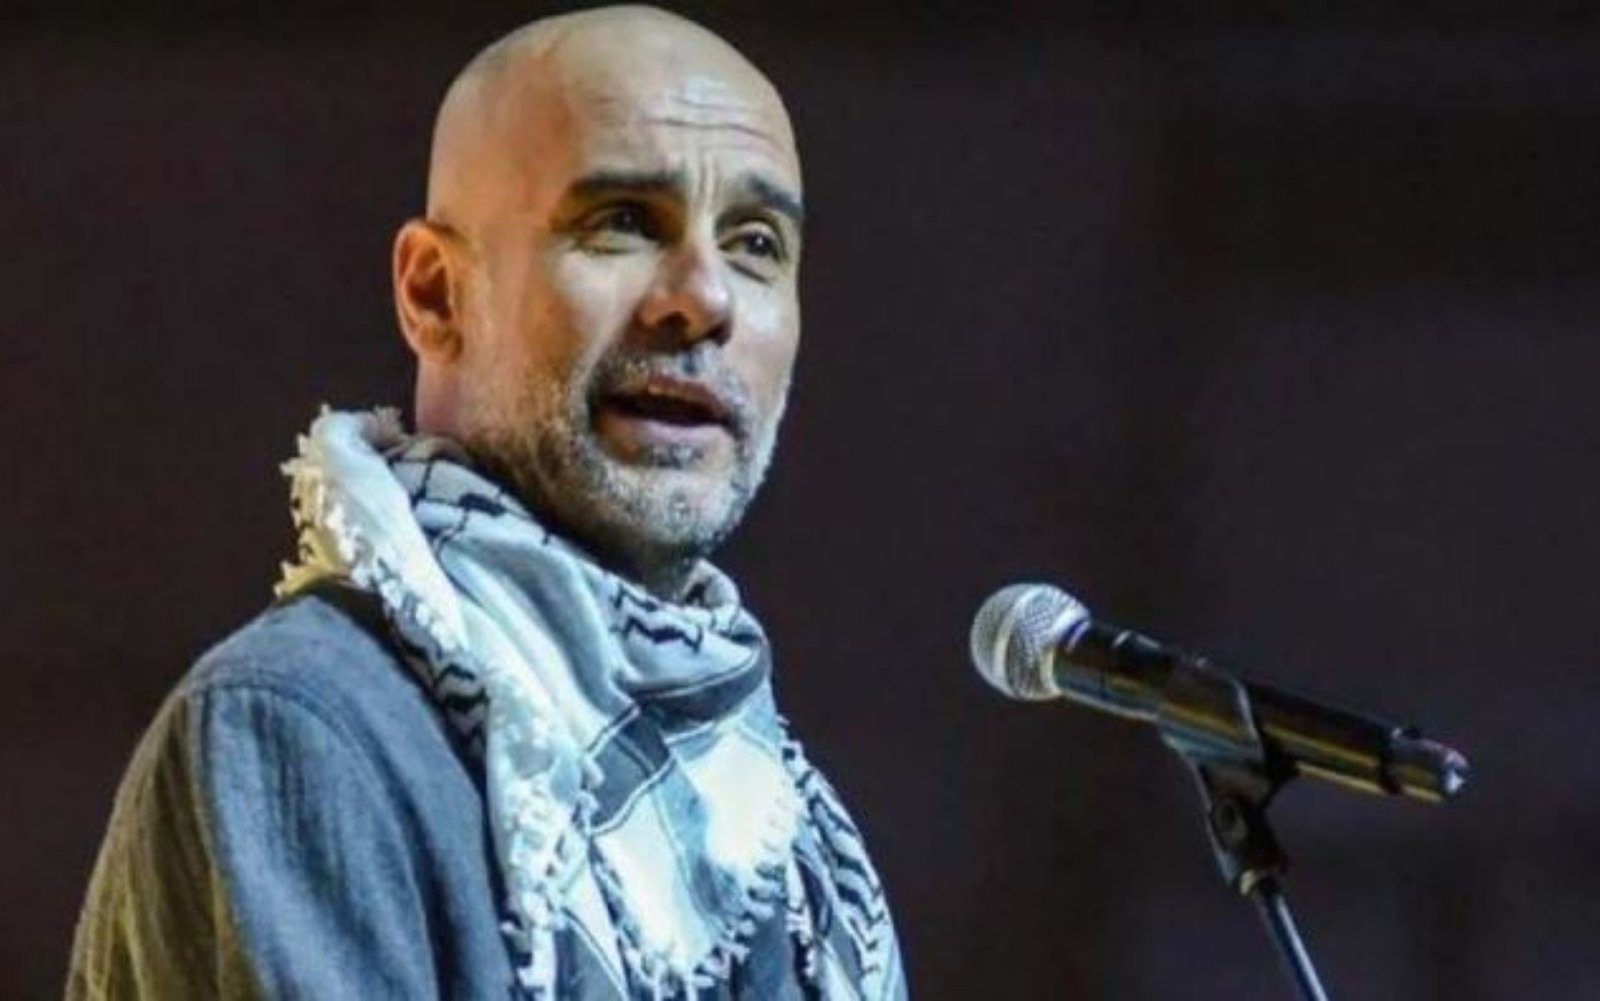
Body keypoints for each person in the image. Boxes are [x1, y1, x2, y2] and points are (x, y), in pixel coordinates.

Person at [67, 7, 905, 999]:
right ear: (435, 295)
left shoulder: (792, 843)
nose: (704, 298)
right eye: (623, 221)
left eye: (756, 243)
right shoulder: (307, 724)